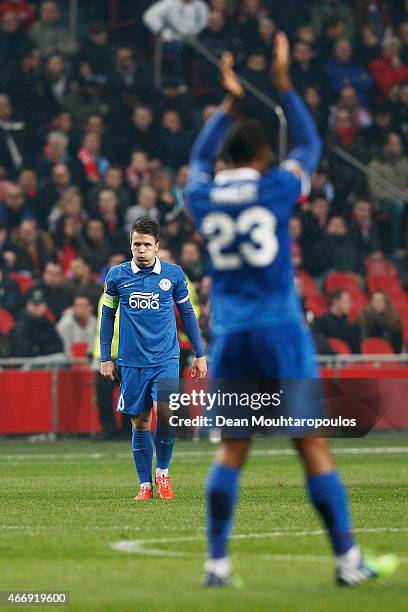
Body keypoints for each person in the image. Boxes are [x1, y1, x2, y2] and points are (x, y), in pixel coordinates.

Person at [187, 35, 398, 587]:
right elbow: (308, 147)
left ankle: (216, 563)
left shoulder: (201, 196)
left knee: (233, 449)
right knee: (311, 445)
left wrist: (227, 104)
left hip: (231, 333)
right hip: (280, 329)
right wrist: (284, 86)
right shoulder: (277, 187)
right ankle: (347, 561)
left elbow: (195, 161)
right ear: (260, 157)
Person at [99, 217, 207, 500]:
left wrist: (200, 353)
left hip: (166, 359)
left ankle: (163, 473)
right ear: (130, 245)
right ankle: (144, 485)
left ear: (157, 246)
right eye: (137, 244)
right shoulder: (117, 276)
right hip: (131, 362)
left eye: (147, 244)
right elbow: (107, 316)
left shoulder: (172, 275)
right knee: (141, 423)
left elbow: (187, 315)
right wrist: (104, 356)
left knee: (168, 417)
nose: (141, 249)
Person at [313, 289, 361, 354]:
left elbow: (356, 352)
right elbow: (320, 345)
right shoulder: (320, 322)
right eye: (347, 301)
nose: (350, 305)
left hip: (348, 362)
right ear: (335, 301)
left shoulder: (352, 326)